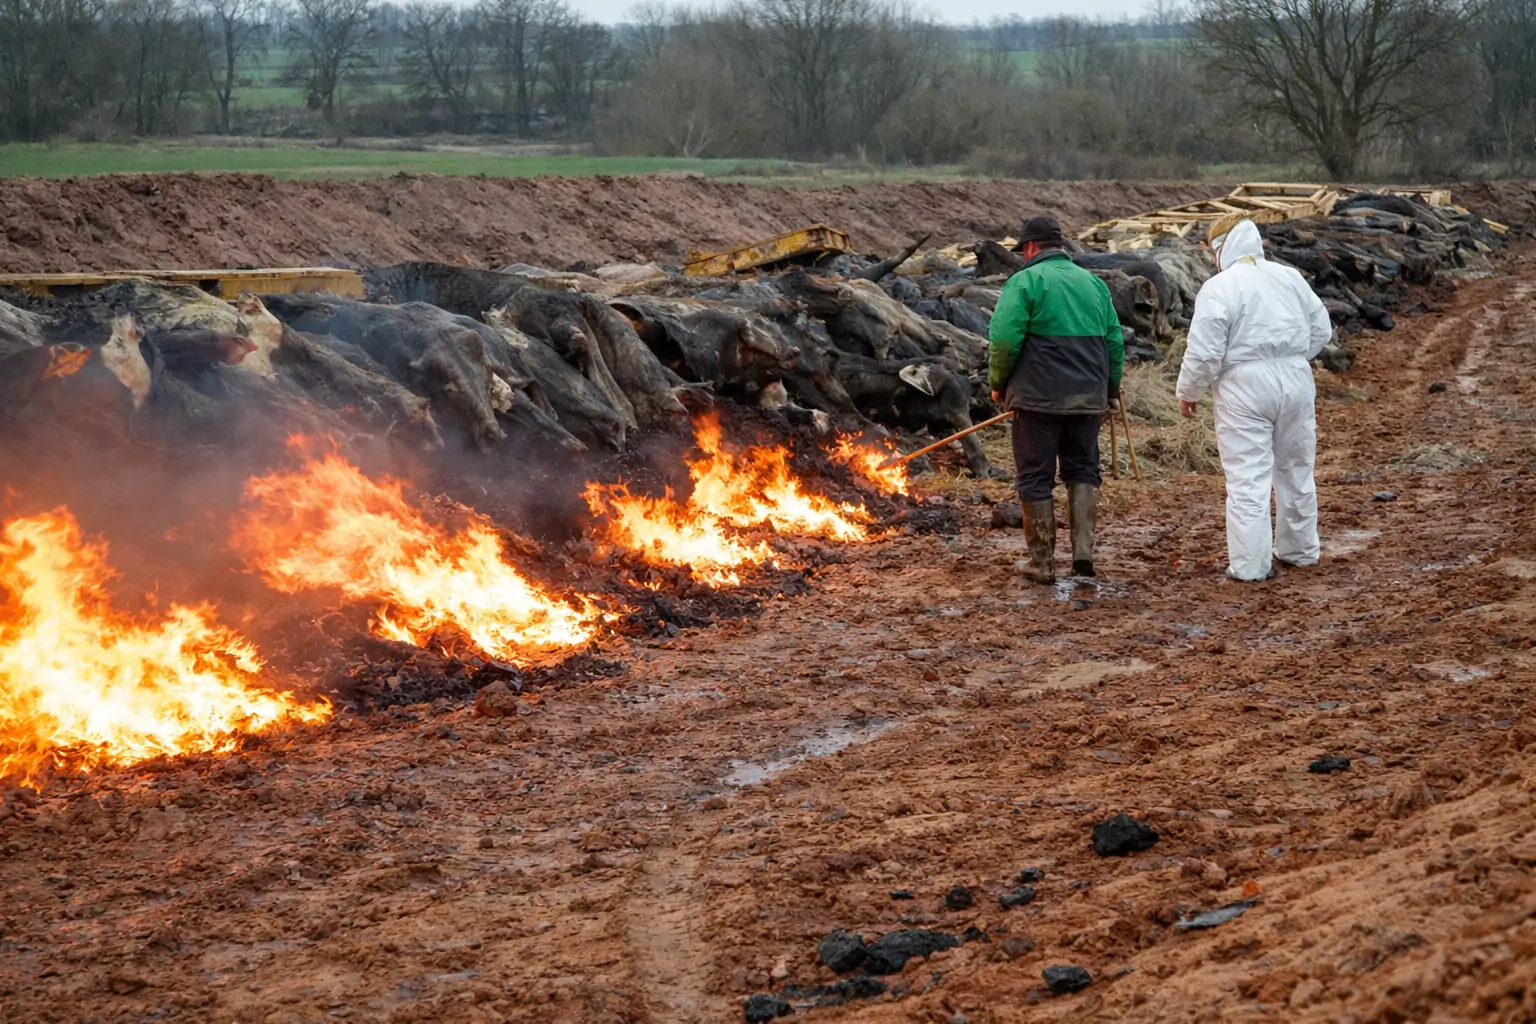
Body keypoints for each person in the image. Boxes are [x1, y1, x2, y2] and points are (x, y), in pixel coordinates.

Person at [1175, 215, 1333, 582]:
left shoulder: (1220, 287)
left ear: (1219, 249)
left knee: (1249, 476)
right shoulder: (1289, 277)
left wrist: (1189, 392)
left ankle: (1249, 565)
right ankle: (1301, 550)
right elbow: (1321, 329)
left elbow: (1205, 352)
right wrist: (1291, 358)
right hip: (1295, 378)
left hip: (1244, 384)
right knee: (1296, 468)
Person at [988, 215, 1124, 584]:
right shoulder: (1094, 284)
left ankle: (1042, 564)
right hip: (1088, 398)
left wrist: (998, 383)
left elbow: (1003, 340)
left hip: (1037, 400)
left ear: (1030, 248)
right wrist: (1110, 389)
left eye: (1023, 251)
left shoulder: (1025, 281)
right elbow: (1114, 341)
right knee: (1082, 470)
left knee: (1035, 477)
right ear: (1060, 246)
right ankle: (1083, 561)